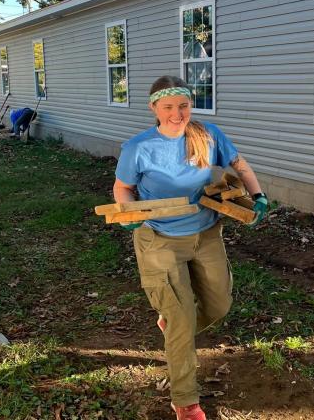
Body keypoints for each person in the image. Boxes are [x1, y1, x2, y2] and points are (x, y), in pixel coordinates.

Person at [113, 76, 269, 420]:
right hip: (159, 240)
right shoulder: (138, 148)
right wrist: (128, 213)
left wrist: (257, 196)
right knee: (182, 319)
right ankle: (186, 400)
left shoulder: (207, 134)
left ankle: (174, 329)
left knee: (219, 305)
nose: (177, 113)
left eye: (183, 105)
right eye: (168, 107)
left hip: (206, 234)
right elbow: (122, 187)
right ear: (154, 108)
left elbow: (239, 166)